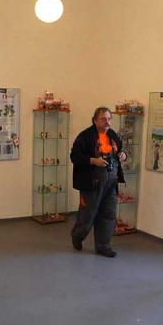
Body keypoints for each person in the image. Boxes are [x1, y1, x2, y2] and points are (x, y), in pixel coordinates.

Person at [70, 106, 126, 257]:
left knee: (108, 215)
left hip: (111, 184)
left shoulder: (112, 134)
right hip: (91, 184)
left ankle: (103, 246)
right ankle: (77, 236)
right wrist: (93, 161)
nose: (107, 122)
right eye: (103, 119)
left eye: (109, 119)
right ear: (95, 120)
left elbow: (120, 149)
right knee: (87, 216)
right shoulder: (85, 136)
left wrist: (123, 155)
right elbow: (74, 156)